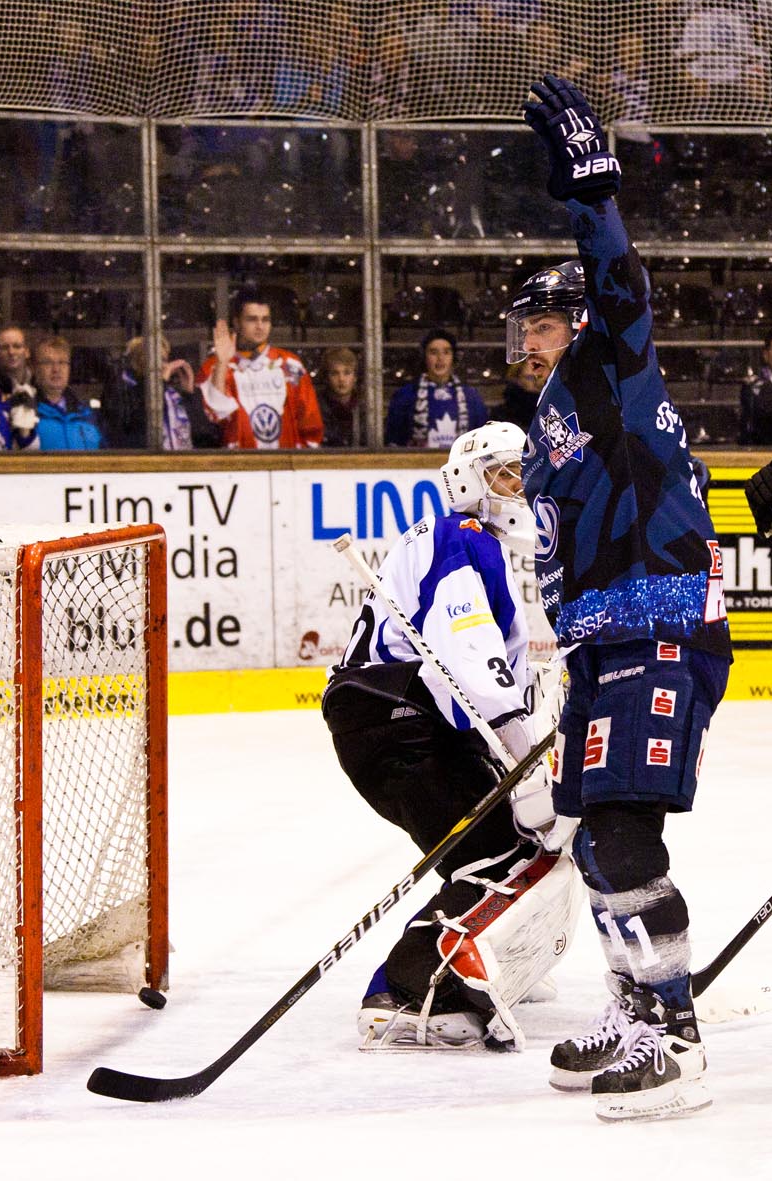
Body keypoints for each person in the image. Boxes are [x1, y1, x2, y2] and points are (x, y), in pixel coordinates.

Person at [512, 74, 731, 1122]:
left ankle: (674, 1033)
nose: (528, 339)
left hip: (659, 623)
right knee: (594, 838)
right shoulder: (554, 412)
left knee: (625, 833)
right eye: (523, 325)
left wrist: (592, 195)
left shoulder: (613, 363)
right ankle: (631, 999)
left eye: (543, 320)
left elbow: (622, 285)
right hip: (602, 644)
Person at [322, 422, 577, 1051]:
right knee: (493, 852)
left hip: (406, 719)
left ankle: (489, 954)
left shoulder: (465, 540)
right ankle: (404, 991)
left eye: (522, 473)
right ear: (467, 480)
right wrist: (525, 760)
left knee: (506, 842)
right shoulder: (462, 537)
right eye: (503, 474)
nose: (518, 486)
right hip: (395, 720)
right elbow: (471, 659)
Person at [198, 287, 324, 449]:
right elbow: (215, 415)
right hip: (237, 463)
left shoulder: (290, 365)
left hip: (286, 460)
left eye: (265, 319)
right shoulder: (214, 366)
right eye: (252, 319)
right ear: (236, 322)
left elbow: (310, 422)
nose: (260, 326)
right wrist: (222, 363)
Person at [386, 328, 487, 448]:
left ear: (453, 357)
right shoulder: (406, 395)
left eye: (446, 352)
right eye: (434, 352)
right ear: (424, 357)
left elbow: (483, 440)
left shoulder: (471, 396)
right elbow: (394, 441)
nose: (440, 358)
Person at [17, 336, 102, 451]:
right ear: (33, 368)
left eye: (62, 362)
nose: (56, 369)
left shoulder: (86, 413)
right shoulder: (24, 411)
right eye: (48, 362)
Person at [317, 347, 365, 447]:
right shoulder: (316, 408)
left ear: (355, 377)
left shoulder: (365, 408)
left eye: (347, 373)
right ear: (326, 378)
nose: (341, 379)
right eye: (334, 373)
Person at [491, 354, 549, 426]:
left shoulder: (551, 410)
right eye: (529, 378)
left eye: (538, 378)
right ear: (517, 378)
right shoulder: (501, 415)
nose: (533, 383)